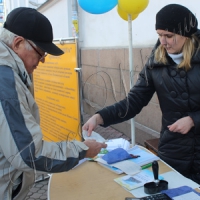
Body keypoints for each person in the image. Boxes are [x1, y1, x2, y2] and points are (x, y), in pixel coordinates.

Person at [83, 4, 200, 184]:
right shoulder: (155, 62)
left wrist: (193, 119)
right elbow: (134, 100)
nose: (163, 41)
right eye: (159, 35)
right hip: (174, 149)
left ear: (186, 34)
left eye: (169, 36)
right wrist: (99, 117)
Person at [0, 7, 107, 200]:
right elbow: (30, 154)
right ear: (17, 43)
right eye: (40, 53)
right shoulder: (5, 81)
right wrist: (82, 150)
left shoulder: (10, 71)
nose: (41, 61)